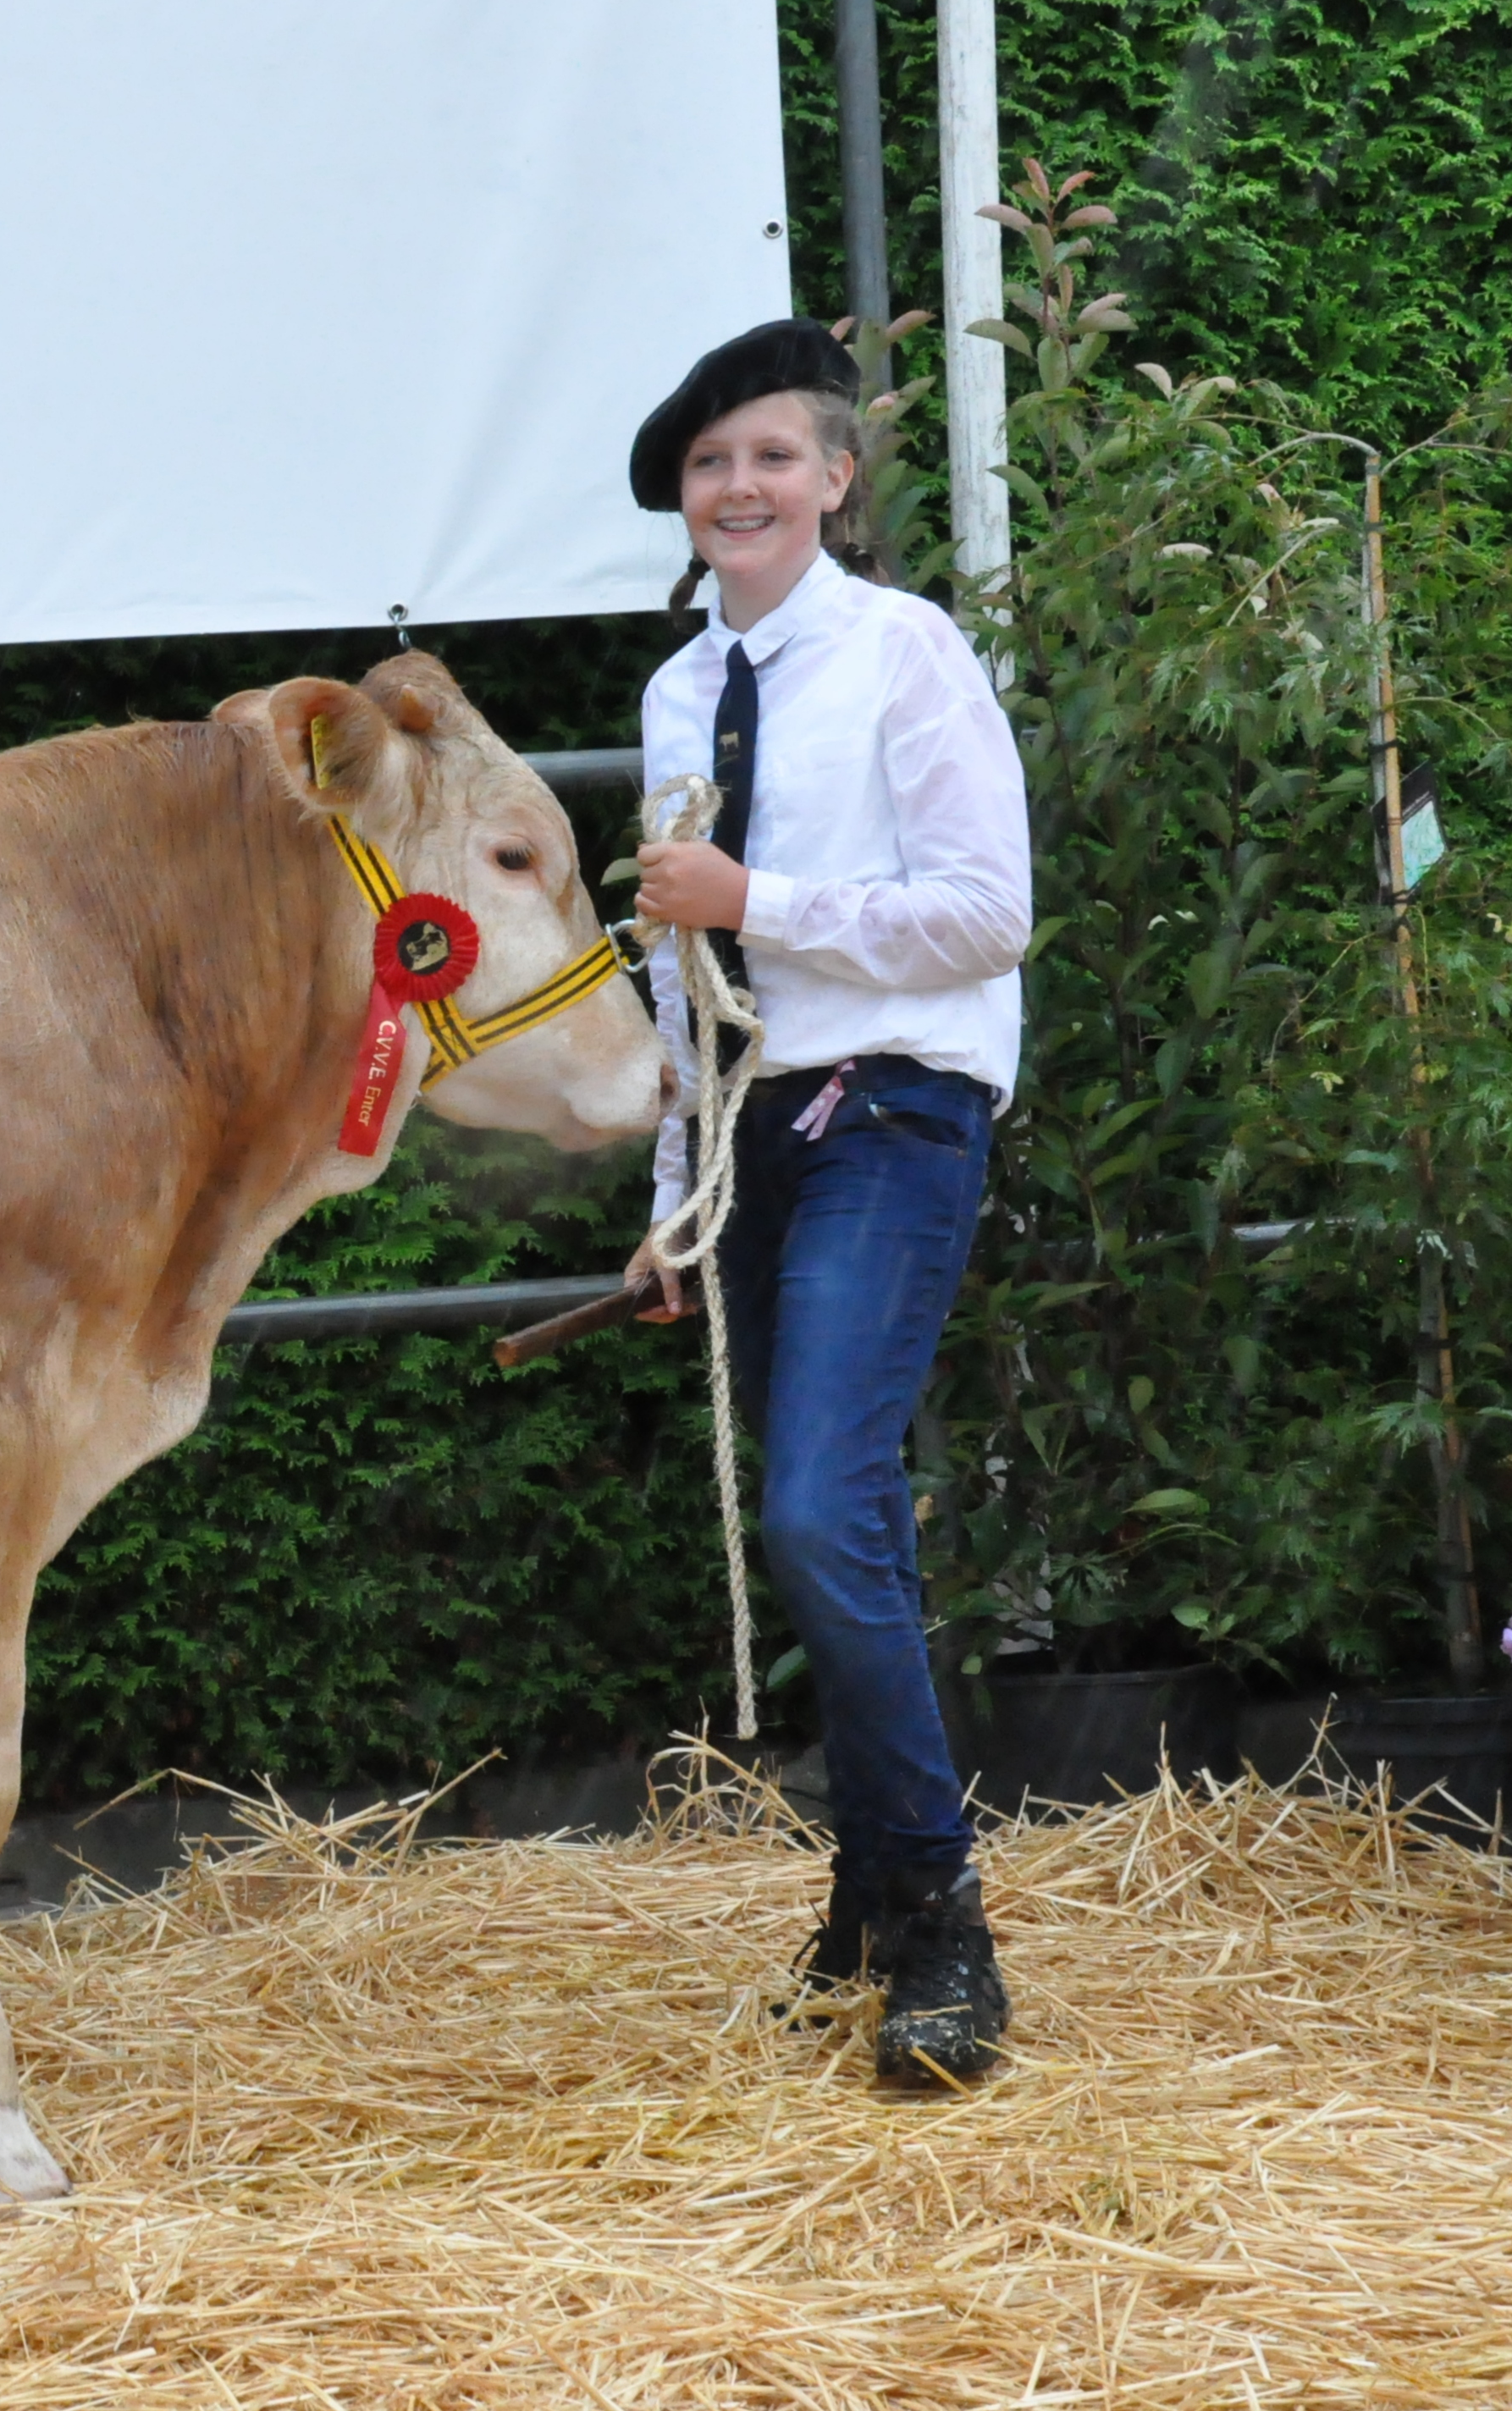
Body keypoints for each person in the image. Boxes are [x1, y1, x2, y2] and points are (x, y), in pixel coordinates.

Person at [616, 319, 1033, 2086]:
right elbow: (674, 975)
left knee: (809, 1509)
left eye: (769, 457)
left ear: (834, 481)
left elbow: (980, 912)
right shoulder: (669, 687)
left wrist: (751, 892)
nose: (737, 488)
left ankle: (941, 1915)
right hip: (755, 1134)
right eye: (710, 466)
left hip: (893, 1112)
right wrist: (666, 1194)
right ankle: (868, 1880)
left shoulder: (902, 653)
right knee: (844, 1519)